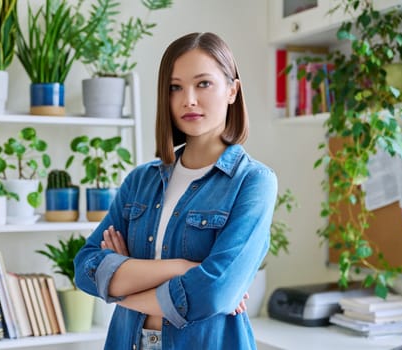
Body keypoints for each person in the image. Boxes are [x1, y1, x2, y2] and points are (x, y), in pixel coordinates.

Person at [74, 32, 278, 350]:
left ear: (232, 90)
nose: (189, 100)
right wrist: (182, 268)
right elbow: (86, 268)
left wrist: (121, 282)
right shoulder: (140, 181)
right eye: (175, 87)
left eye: (203, 84)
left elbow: (215, 293)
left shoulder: (253, 182)